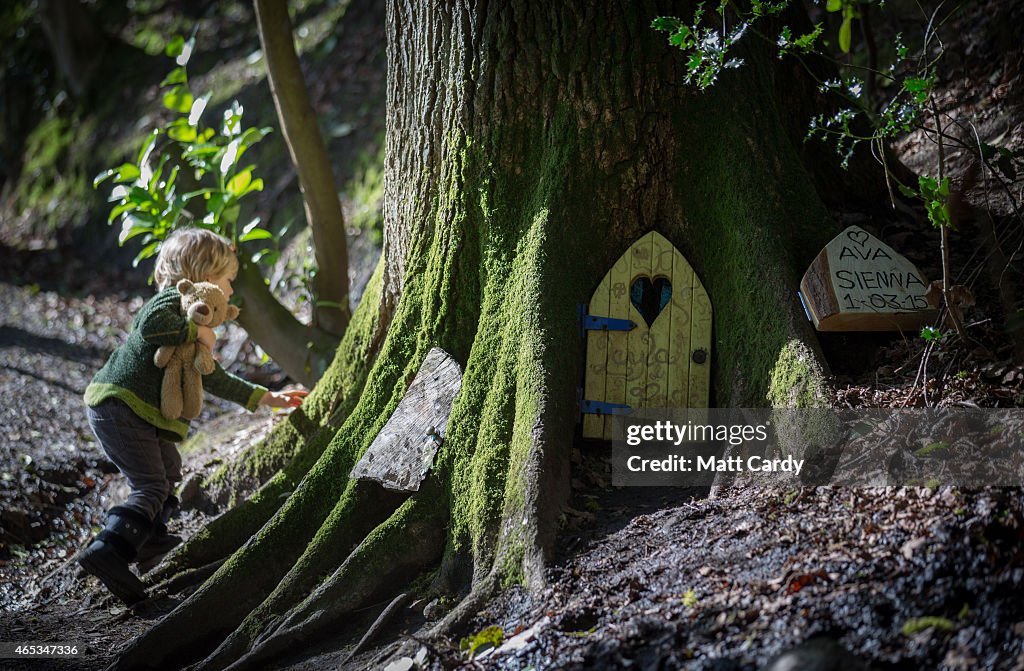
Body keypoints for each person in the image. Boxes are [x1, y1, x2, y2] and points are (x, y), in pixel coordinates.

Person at [78, 228, 307, 604]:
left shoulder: (190, 324)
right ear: (205, 275)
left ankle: (151, 545)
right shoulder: (169, 301)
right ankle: (108, 550)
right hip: (118, 406)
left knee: (169, 472)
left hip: (135, 413)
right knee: (151, 485)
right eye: (228, 280)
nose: (230, 291)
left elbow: (212, 376)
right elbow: (149, 325)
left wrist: (266, 397)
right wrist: (194, 329)